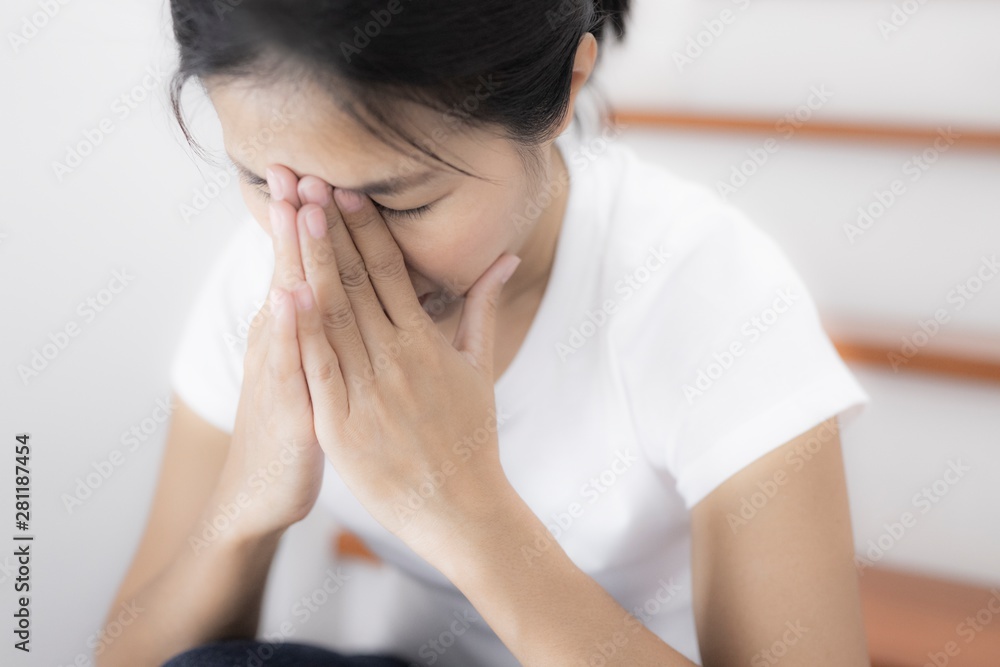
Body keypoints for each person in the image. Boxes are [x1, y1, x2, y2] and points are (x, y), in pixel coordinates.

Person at [98, 1, 874, 665]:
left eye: (399, 204)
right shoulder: (257, 285)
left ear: (565, 88)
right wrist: (246, 502)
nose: (325, 252)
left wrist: (467, 512)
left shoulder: (704, 290)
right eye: (264, 184)